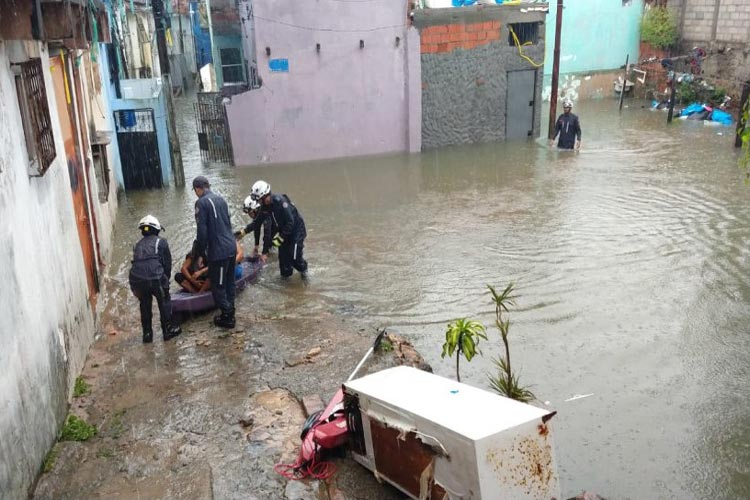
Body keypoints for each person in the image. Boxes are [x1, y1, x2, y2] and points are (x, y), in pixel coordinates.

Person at [192, 175, 237, 328]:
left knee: (218, 287)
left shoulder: (201, 203)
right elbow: (228, 224)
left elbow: (202, 232)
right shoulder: (221, 199)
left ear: (198, 189)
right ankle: (230, 311)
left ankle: (228, 315)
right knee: (229, 283)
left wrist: (199, 254)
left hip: (218, 251)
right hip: (231, 246)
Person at [129, 215, 181, 343]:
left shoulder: (137, 245)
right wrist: (165, 283)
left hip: (137, 280)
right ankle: (167, 330)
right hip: (156, 278)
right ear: (156, 230)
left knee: (145, 305)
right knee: (164, 303)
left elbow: (136, 264)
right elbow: (167, 265)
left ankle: (147, 334)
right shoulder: (161, 242)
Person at [240, 180, 308, 279]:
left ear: (265, 196)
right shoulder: (265, 207)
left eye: (259, 200)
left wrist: (280, 238)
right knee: (284, 266)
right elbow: (257, 223)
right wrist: (243, 232)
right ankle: (287, 287)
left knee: (295, 259)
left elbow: (290, 222)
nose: (259, 202)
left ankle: (304, 272)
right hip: (283, 233)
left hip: (296, 231)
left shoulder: (280, 202)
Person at [175, 240, 244, 293]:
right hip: (198, 280)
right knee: (178, 276)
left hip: (210, 278)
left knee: (214, 272)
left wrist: (201, 272)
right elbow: (183, 268)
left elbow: (217, 265)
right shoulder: (193, 254)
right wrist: (193, 281)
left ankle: (200, 293)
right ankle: (194, 292)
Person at [236, 196, 274, 263]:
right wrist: (256, 246)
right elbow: (256, 226)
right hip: (274, 226)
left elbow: (267, 234)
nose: (249, 216)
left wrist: (264, 253)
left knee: (270, 245)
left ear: (256, 209)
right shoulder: (259, 213)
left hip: (283, 228)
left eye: (250, 213)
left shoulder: (265, 213)